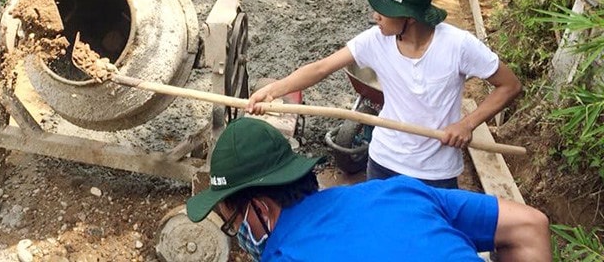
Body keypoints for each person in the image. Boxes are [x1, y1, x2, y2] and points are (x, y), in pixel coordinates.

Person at [248, 0, 522, 188]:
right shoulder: (375, 41)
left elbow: (509, 86)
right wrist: (273, 90)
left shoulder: (459, 45)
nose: (375, 16)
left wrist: (467, 124)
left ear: (410, 18)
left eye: (384, 10)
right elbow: (322, 67)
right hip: (383, 162)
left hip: (435, 173)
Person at [186, 117, 550, 262]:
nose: (240, 238)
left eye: (233, 223)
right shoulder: (399, 191)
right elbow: (530, 225)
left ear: (261, 209)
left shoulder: (287, 256)